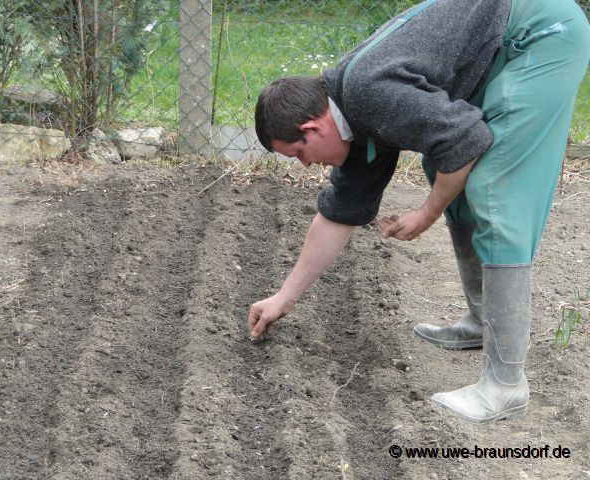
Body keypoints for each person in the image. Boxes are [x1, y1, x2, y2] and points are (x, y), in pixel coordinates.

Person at [247, 0, 590, 423]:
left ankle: (505, 387)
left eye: (298, 153)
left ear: (313, 127)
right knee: (446, 167)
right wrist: (283, 297)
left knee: (493, 187)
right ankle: (484, 323)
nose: (305, 165)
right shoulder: (351, 121)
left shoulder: (368, 93)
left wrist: (427, 212)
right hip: (499, 45)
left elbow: (465, 141)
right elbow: (339, 213)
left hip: (540, 32)